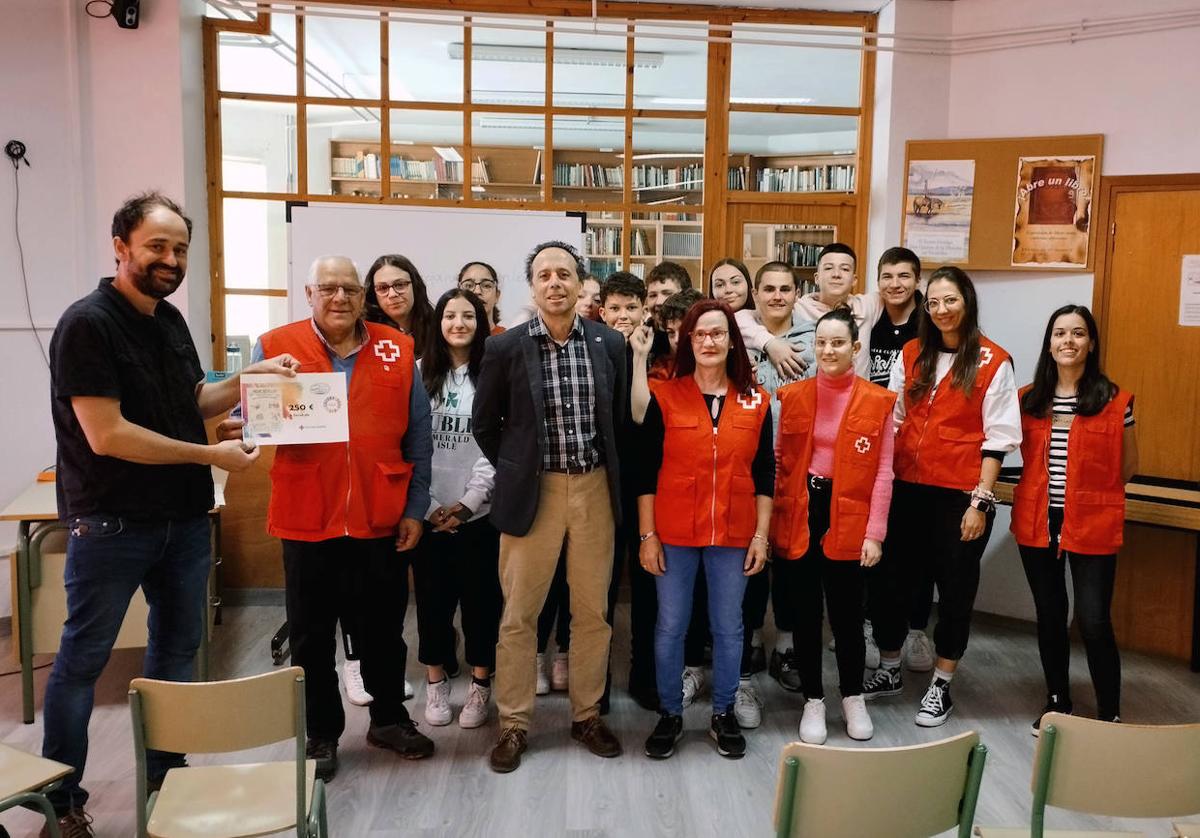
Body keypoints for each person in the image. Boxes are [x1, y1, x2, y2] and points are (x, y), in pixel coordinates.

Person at [42, 192, 291, 836]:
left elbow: (195, 400)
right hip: (112, 523)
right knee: (83, 661)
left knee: (177, 649)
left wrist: (249, 377)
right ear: (120, 246)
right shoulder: (87, 324)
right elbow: (110, 435)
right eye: (157, 246)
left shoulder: (170, 320)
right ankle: (61, 801)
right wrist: (209, 452)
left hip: (184, 519)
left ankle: (165, 775)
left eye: (180, 248)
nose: (170, 259)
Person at [256, 255, 435, 781]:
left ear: (364, 297)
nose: (339, 298)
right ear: (310, 293)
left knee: (383, 629)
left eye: (350, 290)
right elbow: (252, 422)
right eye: (328, 288)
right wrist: (248, 421)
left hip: (379, 515)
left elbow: (418, 436)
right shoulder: (275, 345)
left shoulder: (397, 348)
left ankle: (388, 719)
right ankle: (321, 734)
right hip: (307, 516)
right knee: (311, 636)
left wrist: (415, 509)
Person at [473, 240, 628, 773]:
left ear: (581, 282)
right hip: (531, 494)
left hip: (593, 491)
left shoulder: (609, 344)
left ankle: (587, 715)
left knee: (592, 614)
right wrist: (517, 468)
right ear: (532, 286)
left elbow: (616, 427)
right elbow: (483, 424)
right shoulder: (505, 348)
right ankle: (514, 724)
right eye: (544, 275)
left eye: (565, 273)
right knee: (519, 616)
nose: (555, 283)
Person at [863, 266, 1020, 727]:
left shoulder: (994, 360)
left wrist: (981, 500)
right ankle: (890, 668)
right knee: (892, 582)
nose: (941, 310)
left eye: (950, 300)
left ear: (967, 303)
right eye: (933, 302)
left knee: (955, 590)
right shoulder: (913, 352)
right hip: (906, 486)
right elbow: (893, 417)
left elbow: (999, 437)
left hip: (960, 494)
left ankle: (941, 683)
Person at [637, 300, 773, 760]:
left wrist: (761, 536)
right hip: (674, 532)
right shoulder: (665, 394)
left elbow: (766, 473)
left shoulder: (757, 400)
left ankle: (723, 713)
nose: (710, 341)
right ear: (688, 341)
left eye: (718, 333)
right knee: (671, 625)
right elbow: (646, 471)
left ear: (732, 339)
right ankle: (670, 713)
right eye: (700, 334)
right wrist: (647, 535)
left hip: (734, 535)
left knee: (729, 628)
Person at [772, 308, 896, 744]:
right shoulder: (792, 395)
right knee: (805, 614)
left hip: (850, 514)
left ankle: (852, 695)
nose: (828, 350)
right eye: (821, 342)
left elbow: (884, 472)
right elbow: (779, 463)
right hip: (801, 508)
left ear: (855, 348)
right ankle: (812, 700)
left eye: (838, 343)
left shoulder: (877, 402)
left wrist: (875, 533)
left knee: (846, 616)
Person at [1012, 305, 1137, 733]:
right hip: (1037, 519)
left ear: (1091, 343)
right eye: (1060, 333)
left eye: (1078, 333)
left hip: (1093, 520)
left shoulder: (1116, 400)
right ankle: (1057, 700)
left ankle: (1109, 711)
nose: (1068, 341)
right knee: (1050, 614)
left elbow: (1128, 467)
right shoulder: (1028, 400)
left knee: (1093, 618)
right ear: (1049, 343)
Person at [409, 289, 501, 730]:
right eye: (450, 315)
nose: (459, 323)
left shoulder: (493, 374)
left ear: (481, 323)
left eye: (469, 315)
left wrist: (467, 504)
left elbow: (495, 446)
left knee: (481, 605)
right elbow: (408, 445)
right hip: (426, 514)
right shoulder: (417, 374)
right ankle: (436, 682)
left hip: (479, 516)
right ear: (438, 322)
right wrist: (427, 506)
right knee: (431, 605)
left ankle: (481, 686)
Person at [734, 261, 817, 712]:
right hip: (746, 468)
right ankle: (748, 642)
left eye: (786, 289)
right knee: (750, 561)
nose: (777, 296)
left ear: (796, 292)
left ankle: (785, 644)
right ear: (756, 293)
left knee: (791, 561)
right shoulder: (739, 337)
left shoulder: (815, 340)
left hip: (796, 468)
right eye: (768, 289)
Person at [865, 247, 933, 674]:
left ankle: (916, 629)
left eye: (904, 276)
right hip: (873, 445)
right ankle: (874, 625)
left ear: (916, 280)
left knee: (918, 547)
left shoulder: (931, 326)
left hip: (917, 449)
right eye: (887, 276)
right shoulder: (869, 324)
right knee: (877, 541)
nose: (895, 284)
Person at [597, 271, 659, 711]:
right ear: (601, 312)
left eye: (631, 307)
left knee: (645, 587)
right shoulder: (591, 350)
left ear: (644, 310)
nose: (623, 315)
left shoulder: (656, 351)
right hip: (599, 485)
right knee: (597, 587)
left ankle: (644, 675)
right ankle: (594, 682)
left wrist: (639, 357)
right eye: (615, 308)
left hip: (647, 485)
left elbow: (642, 416)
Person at [739, 243, 883, 380]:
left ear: (854, 279)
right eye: (828, 268)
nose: (836, 274)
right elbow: (738, 319)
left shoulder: (868, 305)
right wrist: (770, 343)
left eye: (845, 269)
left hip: (859, 397)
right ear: (816, 278)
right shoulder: (797, 306)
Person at [364, 253, 435, 356]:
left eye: (400, 285)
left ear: (415, 286)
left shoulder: (438, 327)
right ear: (373, 293)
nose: (392, 294)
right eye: (383, 288)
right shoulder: (364, 335)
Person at [458, 260, 505, 335]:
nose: (477, 291)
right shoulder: (447, 338)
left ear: (497, 296)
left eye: (486, 286)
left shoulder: (508, 340)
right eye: (469, 286)